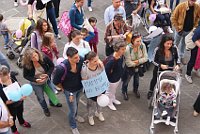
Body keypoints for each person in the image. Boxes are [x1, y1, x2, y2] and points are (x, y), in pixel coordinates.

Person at [23, 48, 62, 117]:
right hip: (36, 84)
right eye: (33, 57)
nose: (36, 58)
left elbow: (52, 66)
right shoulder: (27, 65)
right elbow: (25, 76)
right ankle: (45, 109)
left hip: (46, 80)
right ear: (29, 59)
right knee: (41, 97)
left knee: (51, 92)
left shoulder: (43, 57)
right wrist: (35, 80)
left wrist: (47, 74)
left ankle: (52, 102)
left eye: (36, 55)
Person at [53, 47, 85, 134]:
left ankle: (76, 116)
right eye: (75, 58)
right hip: (69, 91)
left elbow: (89, 59)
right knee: (72, 109)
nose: (78, 59)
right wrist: (63, 89)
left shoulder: (80, 59)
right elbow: (55, 82)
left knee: (76, 103)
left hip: (79, 87)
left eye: (78, 56)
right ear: (68, 57)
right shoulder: (61, 68)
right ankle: (73, 126)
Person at [147, 34, 180, 99]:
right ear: (163, 42)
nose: (169, 45)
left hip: (169, 69)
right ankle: (150, 90)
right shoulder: (158, 49)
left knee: (168, 82)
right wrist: (160, 65)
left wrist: (177, 65)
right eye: (167, 44)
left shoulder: (174, 48)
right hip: (159, 69)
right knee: (154, 79)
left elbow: (178, 58)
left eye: (171, 44)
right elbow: (153, 60)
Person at [0, 65, 31, 134]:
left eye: (8, 73)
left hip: (20, 102)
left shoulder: (12, 77)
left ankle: (22, 122)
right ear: (0, 76)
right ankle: (14, 130)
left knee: (20, 112)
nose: (8, 76)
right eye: (5, 75)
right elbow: (5, 102)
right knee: (12, 118)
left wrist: (22, 94)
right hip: (11, 107)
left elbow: (18, 87)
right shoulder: (0, 87)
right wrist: (18, 99)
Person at [171, 0, 200, 65]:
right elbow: (173, 17)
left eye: (194, 0)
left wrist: (195, 25)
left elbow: (198, 17)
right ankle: (172, 57)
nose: (192, 2)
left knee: (183, 44)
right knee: (175, 44)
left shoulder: (197, 7)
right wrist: (177, 27)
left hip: (189, 30)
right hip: (180, 30)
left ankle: (181, 57)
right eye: (191, 0)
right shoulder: (181, 6)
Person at [121, 32, 148, 100]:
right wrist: (140, 60)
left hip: (138, 67)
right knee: (126, 81)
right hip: (129, 68)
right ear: (132, 41)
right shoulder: (127, 49)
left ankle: (135, 90)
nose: (139, 43)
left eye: (140, 40)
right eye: (137, 41)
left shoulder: (142, 45)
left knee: (137, 80)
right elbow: (128, 63)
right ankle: (124, 91)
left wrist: (137, 61)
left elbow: (146, 58)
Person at [81, 51, 105, 126]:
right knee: (90, 104)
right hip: (91, 91)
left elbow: (103, 76)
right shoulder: (84, 70)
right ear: (89, 61)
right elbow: (85, 82)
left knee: (100, 102)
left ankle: (99, 113)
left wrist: (100, 90)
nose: (97, 62)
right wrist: (94, 91)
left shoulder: (100, 65)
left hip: (100, 88)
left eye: (98, 59)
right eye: (95, 61)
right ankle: (90, 116)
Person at [105, 40, 127, 111]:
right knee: (110, 92)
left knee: (113, 91)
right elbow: (106, 71)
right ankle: (109, 102)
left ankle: (113, 99)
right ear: (117, 49)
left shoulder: (120, 56)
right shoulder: (112, 60)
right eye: (123, 49)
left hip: (118, 77)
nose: (124, 50)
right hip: (112, 79)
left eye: (124, 49)